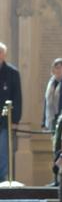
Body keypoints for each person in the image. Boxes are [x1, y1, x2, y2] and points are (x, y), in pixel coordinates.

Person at [0, 42, 22, 182]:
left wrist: (15, 119)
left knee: (3, 151)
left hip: (4, 121)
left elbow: (17, 97)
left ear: (4, 54)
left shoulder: (12, 73)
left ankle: (1, 179)